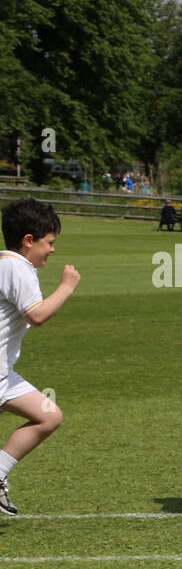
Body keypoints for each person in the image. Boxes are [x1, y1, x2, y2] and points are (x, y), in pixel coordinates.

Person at [0, 198, 80, 515]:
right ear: (28, 240)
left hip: (4, 373)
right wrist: (67, 286)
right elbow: (38, 315)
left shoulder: (8, 264)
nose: (52, 249)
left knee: (49, 415)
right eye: (49, 242)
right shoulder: (17, 267)